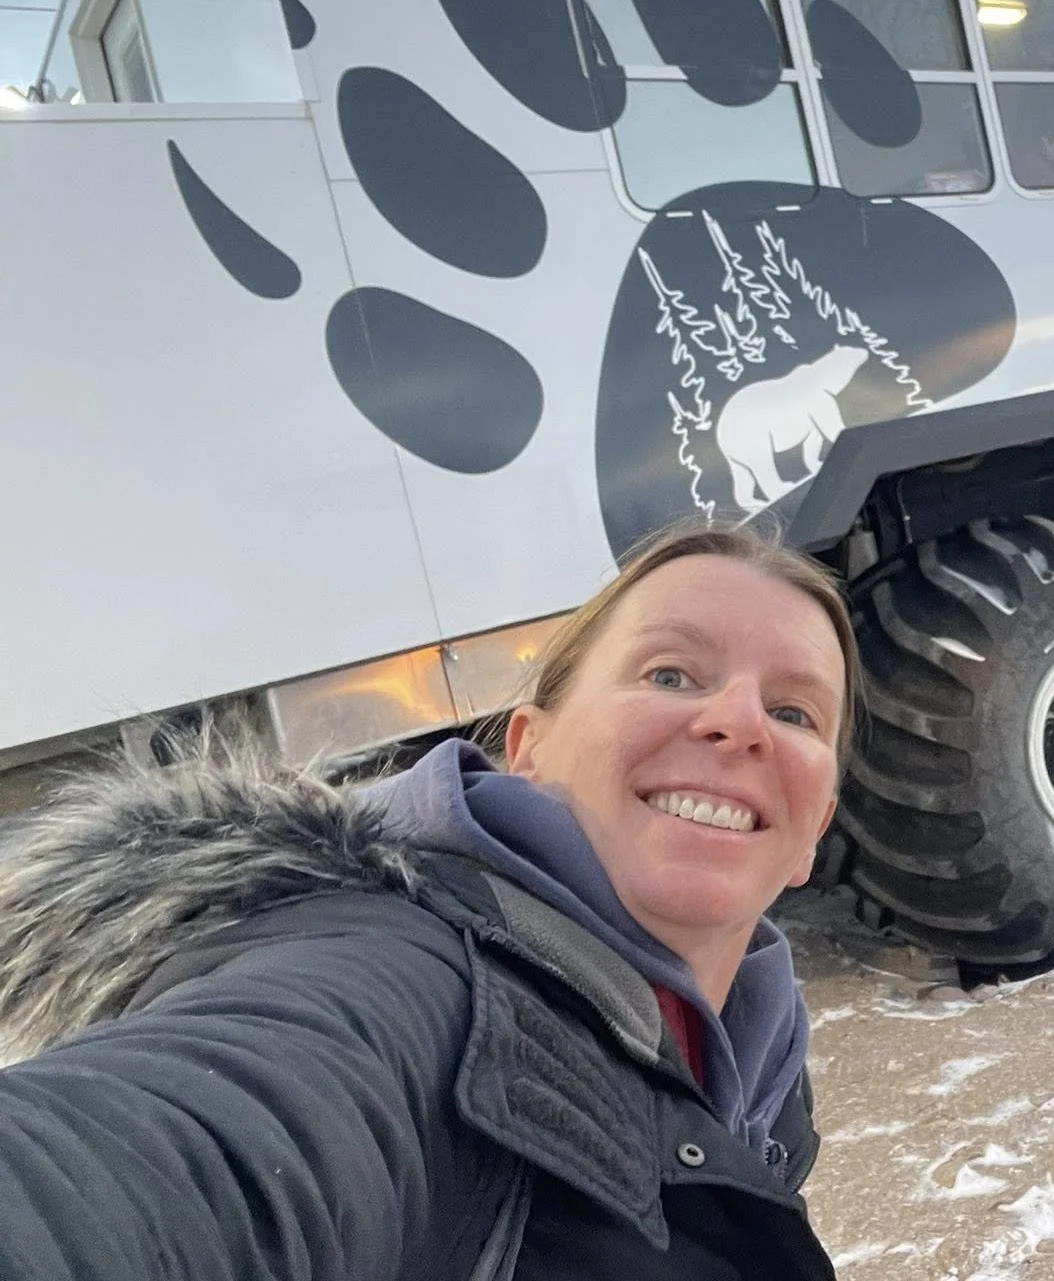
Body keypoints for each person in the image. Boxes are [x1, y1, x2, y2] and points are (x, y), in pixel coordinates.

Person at [0, 522, 855, 1281]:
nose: (739, 721)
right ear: (530, 749)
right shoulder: (404, 990)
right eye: (670, 673)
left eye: (794, 712)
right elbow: (164, 1165)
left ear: (813, 830)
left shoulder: (763, 1070)